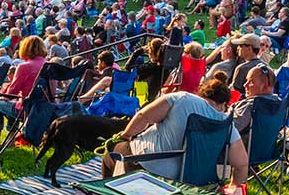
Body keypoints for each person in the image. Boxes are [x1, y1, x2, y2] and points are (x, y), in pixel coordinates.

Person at [106, 76, 248, 184]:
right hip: (191, 182)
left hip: (147, 166)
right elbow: (241, 164)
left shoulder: (182, 98)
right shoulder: (227, 124)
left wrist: (125, 135)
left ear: (202, 94)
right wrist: (235, 189)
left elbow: (144, 117)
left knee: (111, 153)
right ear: (224, 104)